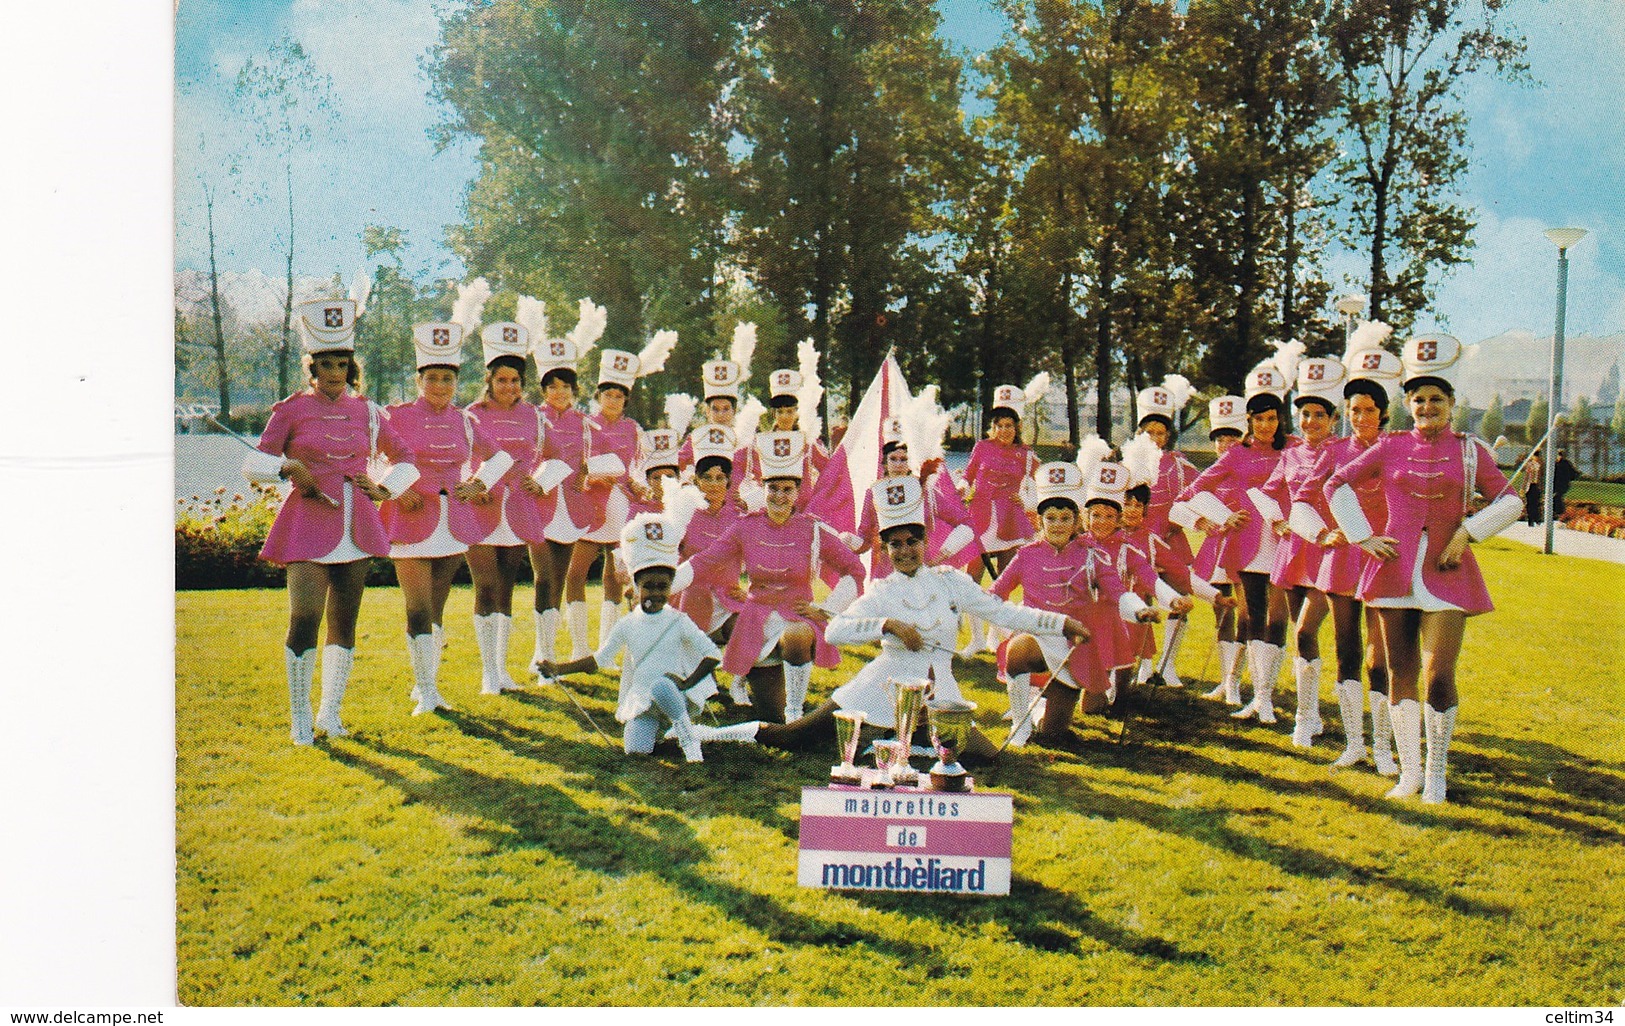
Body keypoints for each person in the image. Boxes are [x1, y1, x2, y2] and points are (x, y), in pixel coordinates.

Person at [689, 476, 1087, 754]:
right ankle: (709, 735)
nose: (905, 550)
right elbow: (835, 633)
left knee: (984, 756)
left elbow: (1005, 611)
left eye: (912, 541)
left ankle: (896, 745)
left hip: (939, 691)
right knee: (792, 737)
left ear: (924, 541)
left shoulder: (951, 582)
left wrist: (1061, 624)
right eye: (894, 544)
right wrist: (887, 625)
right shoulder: (880, 591)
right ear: (884, 550)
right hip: (878, 687)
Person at [1324, 334, 1523, 803]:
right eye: (1419, 399)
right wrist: (1362, 535)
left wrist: (1468, 533)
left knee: (1438, 676)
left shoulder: (1471, 449)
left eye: (1436, 399)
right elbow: (1337, 483)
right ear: (1408, 404)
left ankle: (1436, 774)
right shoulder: (1389, 446)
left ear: (1451, 403)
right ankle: (1409, 773)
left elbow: (1510, 500)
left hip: (1448, 571)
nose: (1427, 407)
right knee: (1400, 675)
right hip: (1393, 570)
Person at [243, 297, 414, 744]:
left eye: (342, 362)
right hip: (306, 523)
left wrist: (386, 489)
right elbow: (254, 464)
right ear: (312, 366)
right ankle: (300, 719)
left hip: (358, 524)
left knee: (345, 621)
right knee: (303, 618)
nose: (335, 371)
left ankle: (329, 714)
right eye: (326, 363)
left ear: (351, 367)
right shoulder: (291, 409)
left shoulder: (369, 412)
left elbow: (406, 458)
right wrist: (289, 468)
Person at [680, 430, 865, 722]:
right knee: (769, 716)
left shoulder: (813, 528)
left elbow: (855, 569)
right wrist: (666, 580)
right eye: (773, 488)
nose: (780, 496)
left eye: (787, 489)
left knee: (795, 638)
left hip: (797, 616)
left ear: (797, 492)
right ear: (764, 489)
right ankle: (775, 708)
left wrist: (826, 608)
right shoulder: (745, 526)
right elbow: (707, 559)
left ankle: (796, 713)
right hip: (756, 622)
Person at [380, 321, 507, 715]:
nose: (440, 386)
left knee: (436, 607)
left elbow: (501, 457)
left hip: (452, 520)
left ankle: (427, 687)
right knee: (416, 607)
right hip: (408, 520)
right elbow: (370, 458)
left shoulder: (465, 421)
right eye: (432, 378)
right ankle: (427, 691)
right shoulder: (395, 415)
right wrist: (399, 490)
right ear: (419, 379)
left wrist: (479, 482)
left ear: (456, 381)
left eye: (447, 379)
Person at [992, 462, 1160, 744]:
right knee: (1018, 650)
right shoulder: (1026, 555)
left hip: (1074, 648)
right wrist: (963, 603)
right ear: (1040, 520)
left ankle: (1039, 711)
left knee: (1053, 733)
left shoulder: (1091, 556)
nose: (1058, 525)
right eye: (1051, 518)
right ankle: (1020, 724)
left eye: (1065, 518)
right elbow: (996, 593)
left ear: (1076, 521)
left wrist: (1139, 610)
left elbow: (1118, 592)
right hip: (1037, 634)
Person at [1176, 353, 1298, 723]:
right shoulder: (1237, 454)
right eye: (1258, 419)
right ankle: (1260, 699)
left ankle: (1265, 696)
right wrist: (1223, 516)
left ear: (1280, 419)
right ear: (1249, 421)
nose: (1265, 426)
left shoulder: (1294, 448)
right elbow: (1193, 490)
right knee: (1252, 617)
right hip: (1248, 546)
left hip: (1286, 542)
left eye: (1272, 418)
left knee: (1278, 620)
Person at [540, 513, 720, 762]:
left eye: (662, 587)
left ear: (670, 588)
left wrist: (687, 683)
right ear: (636, 585)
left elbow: (713, 654)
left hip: (673, 695)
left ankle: (686, 732)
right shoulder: (627, 624)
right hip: (643, 698)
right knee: (635, 750)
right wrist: (558, 669)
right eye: (649, 586)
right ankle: (667, 732)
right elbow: (599, 660)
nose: (655, 593)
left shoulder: (679, 621)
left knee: (662, 686)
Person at [1255, 357, 1357, 747]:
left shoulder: (1345, 451)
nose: (1311, 421)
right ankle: (1309, 714)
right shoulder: (1291, 453)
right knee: (1303, 637)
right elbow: (1266, 492)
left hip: (1330, 549)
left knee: (1314, 631)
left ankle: (1319, 718)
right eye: (1305, 414)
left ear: (1333, 418)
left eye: (1319, 414)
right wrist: (1278, 521)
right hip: (1296, 548)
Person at [562, 334, 678, 656]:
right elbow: (577, 464)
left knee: (614, 573)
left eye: (619, 396)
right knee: (576, 571)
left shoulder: (633, 430)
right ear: (598, 395)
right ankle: (579, 648)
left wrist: (638, 485)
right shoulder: (585, 425)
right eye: (608, 394)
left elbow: (637, 469)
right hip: (589, 501)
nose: (613, 400)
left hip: (621, 506)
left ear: (626, 399)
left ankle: (606, 649)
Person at [1322, 324, 1404, 772]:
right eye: (1354, 410)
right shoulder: (1334, 451)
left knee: (1381, 655)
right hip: (1343, 559)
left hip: (1384, 555)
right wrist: (1325, 532)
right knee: (1346, 650)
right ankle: (1354, 742)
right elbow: (1305, 497)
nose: (1361, 417)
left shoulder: (1398, 448)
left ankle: (1385, 746)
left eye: (1369, 409)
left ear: (1385, 411)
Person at [462, 320, 551, 695]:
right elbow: (462, 455)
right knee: (484, 587)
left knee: (506, 589)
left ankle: (501, 670)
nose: (509, 387)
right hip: (481, 507)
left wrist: (541, 480)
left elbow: (556, 455)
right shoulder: (471, 413)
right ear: (489, 380)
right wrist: (475, 484)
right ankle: (486, 673)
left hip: (518, 509)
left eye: (515, 380)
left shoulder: (534, 415)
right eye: (502, 380)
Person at [529, 300, 606, 671]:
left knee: (558, 580)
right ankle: (546, 655)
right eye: (552, 386)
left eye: (565, 385)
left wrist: (588, 469)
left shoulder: (587, 424)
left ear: (575, 388)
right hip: (538, 506)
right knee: (543, 579)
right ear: (543, 389)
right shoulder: (532, 418)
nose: (559, 392)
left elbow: (598, 461)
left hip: (572, 507)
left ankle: (543, 650)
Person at [958, 379, 1043, 655]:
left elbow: (1037, 487)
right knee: (972, 579)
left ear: (1017, 426)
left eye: (1009, 425)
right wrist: (960, 489)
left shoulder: (1027, 454)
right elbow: (968, 476)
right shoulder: (982, 447)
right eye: (999, 425)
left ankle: (997, 635)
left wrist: (1027, 500)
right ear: (992, 427)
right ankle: (976, 638)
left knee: (1004, 581)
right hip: (981, 516)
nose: (1004, 430)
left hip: (1011, 520)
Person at [1125, 379, 1200, 685]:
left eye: (1160, 432)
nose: (1154, 438)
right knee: (1139, 599)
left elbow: (1197, 498)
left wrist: (1180, 521)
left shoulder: (1181, 465)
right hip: (1137, 542)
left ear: (1168, 435)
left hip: (1170, 540)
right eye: (1148, 432)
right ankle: (1142, 664)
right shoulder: (1126, 463)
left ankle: (1168, 663)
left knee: (1180, 597)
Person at [1177, 395, 1250, 704]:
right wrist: (1202, 521)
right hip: (1217, 545)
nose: (1225, 444)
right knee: (1222, 611)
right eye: (1220, 438)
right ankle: (1224, 679)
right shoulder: (1209, 474)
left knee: (1247, 613)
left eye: (1231, 437)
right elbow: (1184, 502)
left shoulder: (1250, 468)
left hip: (1248, 547)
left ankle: (1236, 681)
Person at [1553, 449, 1579, 516]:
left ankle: (1559, 512)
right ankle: (1558, 512)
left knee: (1557, 497)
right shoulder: (1555, 463)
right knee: (1557, 497)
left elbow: (1573, 474)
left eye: (1561, 454)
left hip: (1562, 484)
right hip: (1556, 484)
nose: (1560, 456)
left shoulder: (1565, 463)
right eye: (1559, 454)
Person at [1523, 448, 1545, 526]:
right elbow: (1526, 476)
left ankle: (1537, 519)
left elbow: (1542, 476)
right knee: (1529, 504)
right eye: (1535, 455)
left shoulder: (1541, 464)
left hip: (1536, 486)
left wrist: (1542, 488)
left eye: (1537, 455)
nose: (1536, 457)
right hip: (1530, 486)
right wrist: (1523, 487)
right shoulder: (1530, 464)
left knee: (1536, 503)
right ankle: (1530, 520)